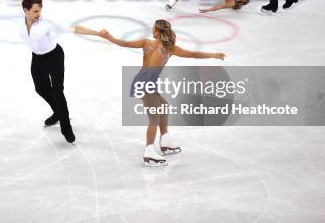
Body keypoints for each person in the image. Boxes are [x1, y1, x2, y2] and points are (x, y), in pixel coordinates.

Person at [75, 20, 225, 166]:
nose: (152, 31)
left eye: (154, 29)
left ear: (159, 33)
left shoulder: (164, 47)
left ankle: (165, 141)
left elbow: (192, 54)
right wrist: (110, 37)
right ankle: (149, 152)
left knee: (164, 107)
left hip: (148, 83)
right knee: (154, 118)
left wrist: (212, 55)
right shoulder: (155, 45)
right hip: (144, 83)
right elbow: (193, 54)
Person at [0, 0, 77, 143]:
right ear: (25, 10)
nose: (38, 14)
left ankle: (66, 126)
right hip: (38, 57)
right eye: (35, 11)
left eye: (40, 11)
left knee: (57, 91)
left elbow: (75, 29)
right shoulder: (16, 17)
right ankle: (58, 112)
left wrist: (99, 34)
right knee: (41, 89)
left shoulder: (45, 24)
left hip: (54, 56)